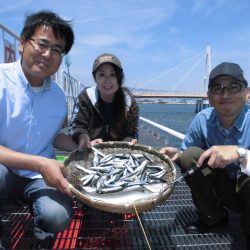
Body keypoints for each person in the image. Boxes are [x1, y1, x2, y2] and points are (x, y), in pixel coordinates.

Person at [0, 10, 78, 242]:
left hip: (39, 177)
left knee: (58, 216)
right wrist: (40, 163)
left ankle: (41, 238)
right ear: (23, 43)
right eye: (43, 44)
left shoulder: (58, 94)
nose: (48, 54)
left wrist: (79, 145)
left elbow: (55, 136)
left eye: (57, 50)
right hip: (4, 169)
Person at [160, 62, 250, 248]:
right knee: (190, 155)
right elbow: (188, 155)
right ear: (209, 96)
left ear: (246, 93)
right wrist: (177, 156)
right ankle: (214, 217)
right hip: (224, 188)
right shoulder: (203, 120)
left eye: (234, 87)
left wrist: (241, 154)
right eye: (218, 88)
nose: (225, 95)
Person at [69, 53, 139, 148]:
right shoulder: (86, 97)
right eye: (102, 74)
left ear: (119, 77)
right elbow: (76, 127)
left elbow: (132, 133)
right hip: (92, 151)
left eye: (112, 74)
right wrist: (83, 137)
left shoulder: (129, 102)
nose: (107, 80)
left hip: (121, 154)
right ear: (95, 78)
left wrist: (128, 142)